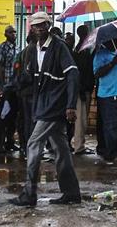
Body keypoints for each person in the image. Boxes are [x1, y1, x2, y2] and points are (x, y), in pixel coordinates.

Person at [10, 12, 82, 207]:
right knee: (61, 149)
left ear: (48, 26)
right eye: (36, 25)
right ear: (31, 28)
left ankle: (29, 193)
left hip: (54, 105)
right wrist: (6, 88)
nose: (39, 28)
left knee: (33, 144)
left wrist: (70, 104)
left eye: (43, 25)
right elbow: (27, 78)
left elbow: (73, 74)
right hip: (44, 103)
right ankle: (71, 192)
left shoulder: (59, 47)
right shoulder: (34, 49)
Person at [93, 34, 117, 165]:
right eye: (115, 40)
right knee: (111, 124)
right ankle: (110, 153)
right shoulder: (101, 54)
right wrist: (112, 63)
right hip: (109, 94)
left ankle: (115, 148)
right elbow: (97, 73)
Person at [0, 25, 20, 153]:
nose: (14, 34)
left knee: (13, 117)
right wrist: (1, 86)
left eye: (15, 32)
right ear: (6, 34)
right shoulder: (2, 48)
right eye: (11, 32)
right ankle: (0, 144)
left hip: (15, 88)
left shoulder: (17, 48)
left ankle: (10, 142)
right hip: (5, 87)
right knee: (3, 116)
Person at [72, 25, 95, 155]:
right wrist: (81, 89)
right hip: (82, 89)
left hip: (83, 88)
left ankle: (79, 144)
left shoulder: (80, 48)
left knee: (82, 118)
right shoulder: (83, 50)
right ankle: (79, 146)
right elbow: (80, 71)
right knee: (81, 120)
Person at [15, 31, 37, 154]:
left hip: (24, 90)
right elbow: (28, 73)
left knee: (26, 119)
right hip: (30, 90)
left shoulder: (23, 51)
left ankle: (26, 145)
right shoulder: (33, 50)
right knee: (30, 120)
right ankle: (30, 146)